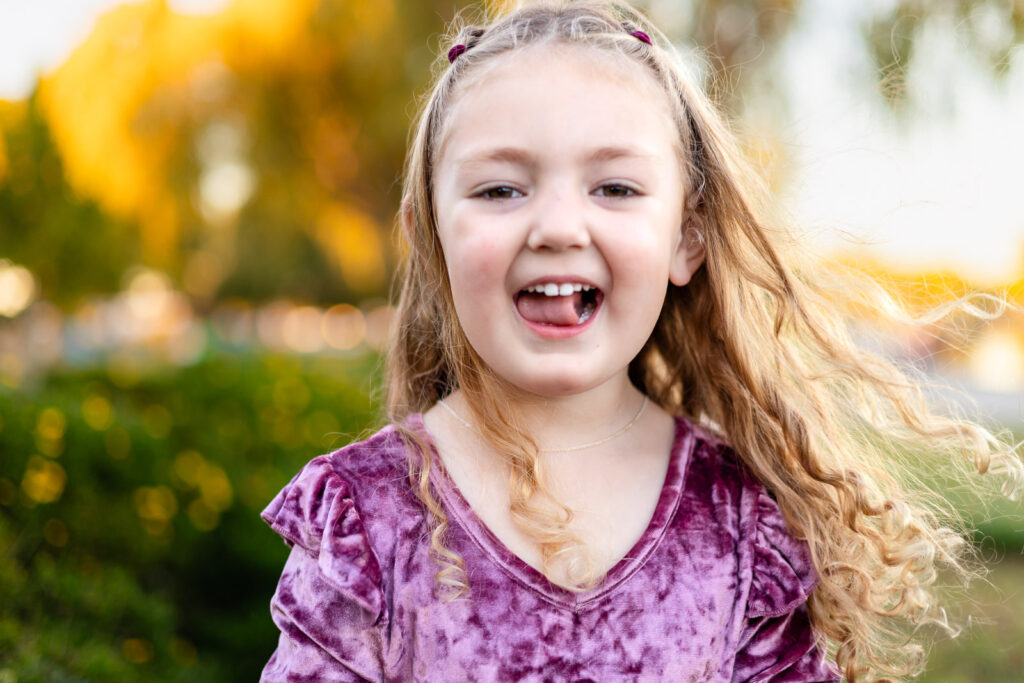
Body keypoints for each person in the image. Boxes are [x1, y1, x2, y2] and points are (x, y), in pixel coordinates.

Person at [259, 1, 1023, 680]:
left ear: (686, 239)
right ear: (429, 237)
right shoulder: (362, 520)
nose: (558, 226)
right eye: (500, 189)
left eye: (615, 187)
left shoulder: (739, 519)